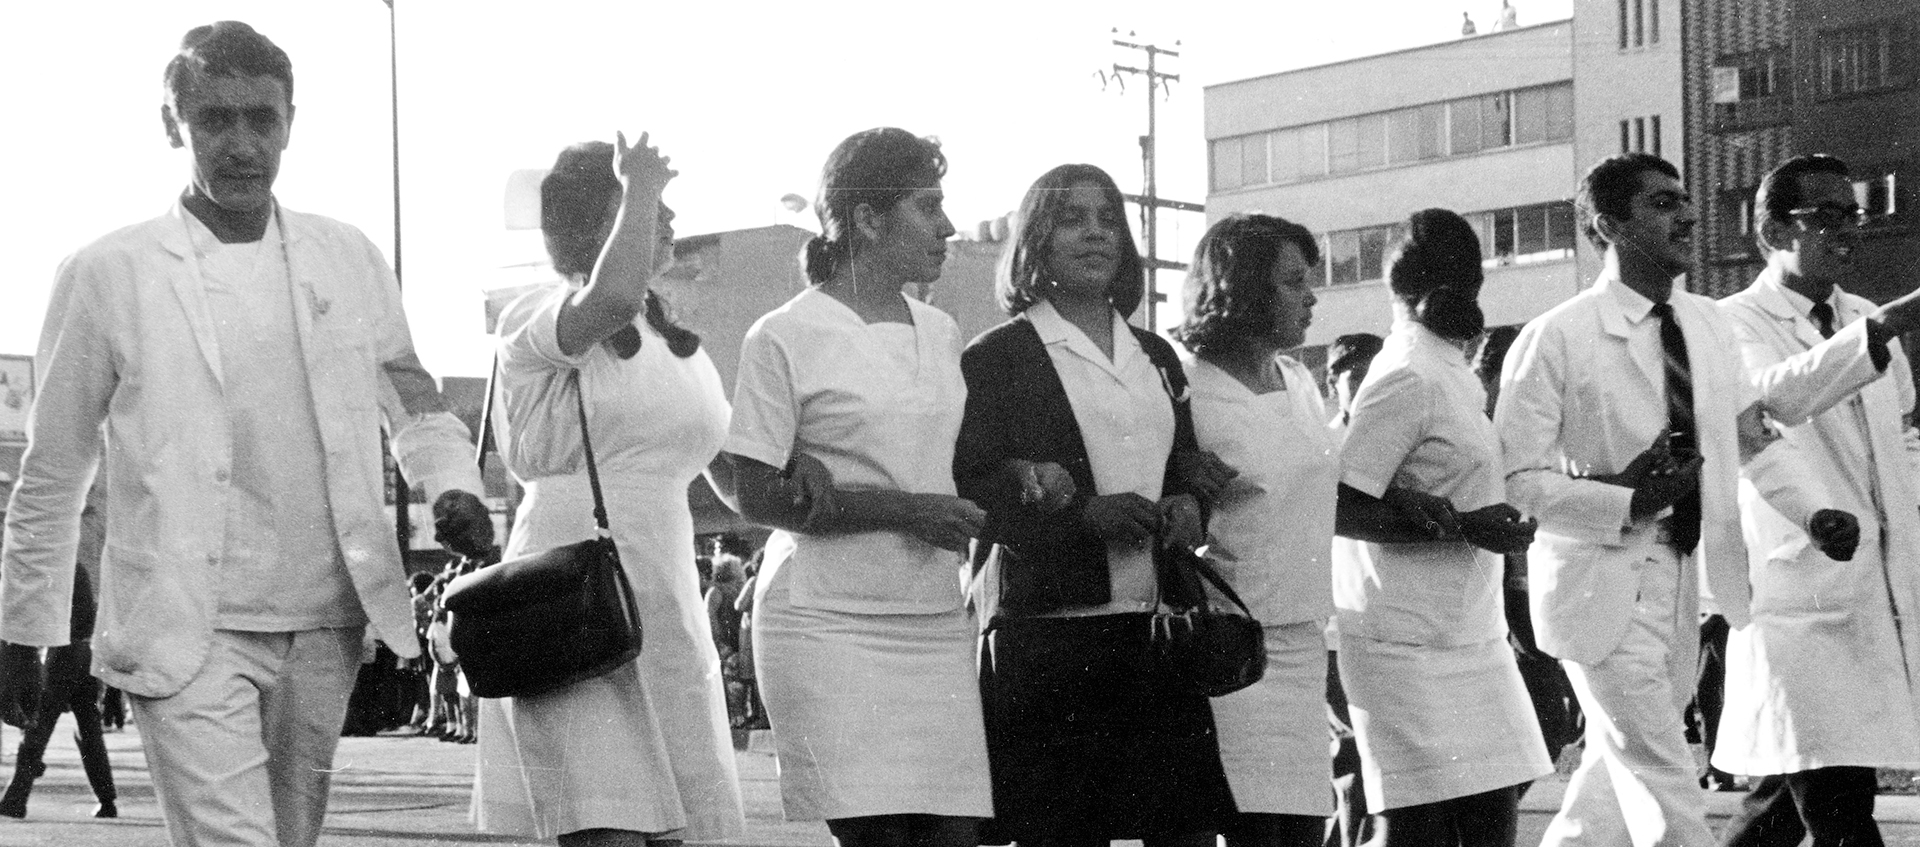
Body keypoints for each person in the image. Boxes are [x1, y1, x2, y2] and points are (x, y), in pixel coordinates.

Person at [0, 21, 491, 847]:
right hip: (183, 624)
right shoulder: (107, 272)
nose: (240, 144)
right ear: (172, 123)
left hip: (324, 619)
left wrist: (455, 485)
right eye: (214, 119)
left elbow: (410, 396)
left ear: (291, 122)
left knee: (287, 838)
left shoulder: (347, 256)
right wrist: (23, 626)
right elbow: (55, 466)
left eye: (260, 119)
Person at [1495, 153, 1847, 847]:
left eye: (1684, 199)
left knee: (1605, 793)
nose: (1687, 214)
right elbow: (1514, 483)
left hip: (1687, 578)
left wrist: (1812, 510)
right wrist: (1627, 498)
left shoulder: (1708, 324)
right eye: (1662, 203)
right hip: (1602, 586)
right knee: (1663, 777)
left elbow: (1753, 437)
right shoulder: (1557, 337)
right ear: (1608, 226)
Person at [708, 127, 992, 847]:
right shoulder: (784, 333)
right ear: (867, 218)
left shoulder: (942, 329)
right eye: (928, 207)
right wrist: (900, 509)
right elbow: (752, 492)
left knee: (956, 835)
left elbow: (939, 459)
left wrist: (1018, 475)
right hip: (824, 620)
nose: (948, 227)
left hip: (930, 615)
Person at [471, 135, 746, 847]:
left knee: (674, 829)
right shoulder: (536, 314)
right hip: (568, 587)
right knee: (605, 823)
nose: (669, 219)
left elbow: (730, 466)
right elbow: (615, 293)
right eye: (651, 209)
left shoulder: (676, 342)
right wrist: (642, 180)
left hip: (661, 589)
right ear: (602, 226)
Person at [955, 162, 1238, 847]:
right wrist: (1083, 516)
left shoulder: (1157, 355)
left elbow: (1184, 467)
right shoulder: (997, 356)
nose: (1095, 233)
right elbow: (972, 484)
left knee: (1188, 834)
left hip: (1156, 633)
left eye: (1108, 217)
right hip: (1050, 642)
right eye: (1072, 218)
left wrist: (1187, 503)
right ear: (1036, 240)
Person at [1713, 153, 1920, 847]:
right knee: (1838, 806)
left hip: (1874, 590)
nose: (1846, 230)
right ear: (1772, 230)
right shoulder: (1732, 322)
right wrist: (1881, 333)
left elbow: (1902, 434)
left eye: (1852, 214)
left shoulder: (1859, 314)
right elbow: (1766, 400)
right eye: (1824, 215)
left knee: (1783, 801)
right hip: (1798, 592)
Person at [1332, 209, 1549, 846]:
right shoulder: (1406, 374)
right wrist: (1463, 528)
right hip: (1406, 648)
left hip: (1471, 637)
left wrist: (1484, 525)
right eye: (1459, 280)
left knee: (1491, 823)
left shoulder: (1448, 369)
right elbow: (1342, 507)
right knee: (1419, 834)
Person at [1173, 214, 1336, 847]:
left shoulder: (1297, 380)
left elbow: (1314, 495)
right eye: (1294, 283)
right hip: (1229, 649)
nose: (1312, 298)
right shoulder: (1187, 386)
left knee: (1300, 832)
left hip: (1301, 642)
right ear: (1242, 291)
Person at [1471, 326, 1582, 775]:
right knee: (1538, 730)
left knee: (1548, 732)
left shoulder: (1537, 429)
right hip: (1497, 597)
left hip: (1533, 587)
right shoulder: (1478, 429)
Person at [0, 487, 116, 820]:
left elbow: (36, 616)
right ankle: (107, 800)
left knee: (38, 723)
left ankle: (16, 797)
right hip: (84, 654)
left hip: (62, 653)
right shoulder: (77, 569)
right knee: (89, 730)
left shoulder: (51, 570)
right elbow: (90, 617)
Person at [1323, 332, 1384, 847]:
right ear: (1333, 382)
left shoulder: (1394, 440)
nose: (1366, 389)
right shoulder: (1325, 448)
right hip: (1332, 629)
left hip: (1381, 622)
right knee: (1353, 763)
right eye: (1355, 376)